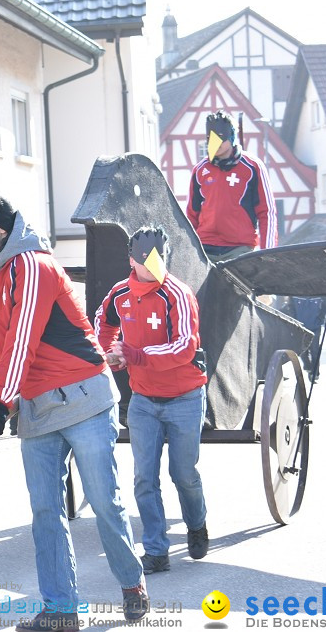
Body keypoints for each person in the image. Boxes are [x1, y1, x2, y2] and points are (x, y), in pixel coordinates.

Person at [0, 190, 148, 632]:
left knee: (104, 503)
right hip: (38, 407)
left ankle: (132, 582)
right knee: (45, 512)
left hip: (83, 399)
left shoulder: (34, 266)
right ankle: (61, 610)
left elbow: (22, 338)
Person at [94, 227, 210, 575]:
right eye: (147, 261)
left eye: (160, 259)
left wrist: (133, 354)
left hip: (185, 397)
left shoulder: (178, 294)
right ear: (132, 260)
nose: (154, 268)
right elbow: (101, 324)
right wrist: (108, 354)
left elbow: (185, 346)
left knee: (183, 473)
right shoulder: (120, 293)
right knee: (144, 477)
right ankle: (157, 551)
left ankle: (197, 524)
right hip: (144, 400)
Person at [186, 110, 277, 262]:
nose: (216, 144)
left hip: (240, 247)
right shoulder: (200, 170)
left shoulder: (253, 167)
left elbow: (266, 212)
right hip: (205, 246)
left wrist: (268, 252)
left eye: (220, 138)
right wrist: (188, 249)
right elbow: (191, 214)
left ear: (232, 136)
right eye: (210, 138)